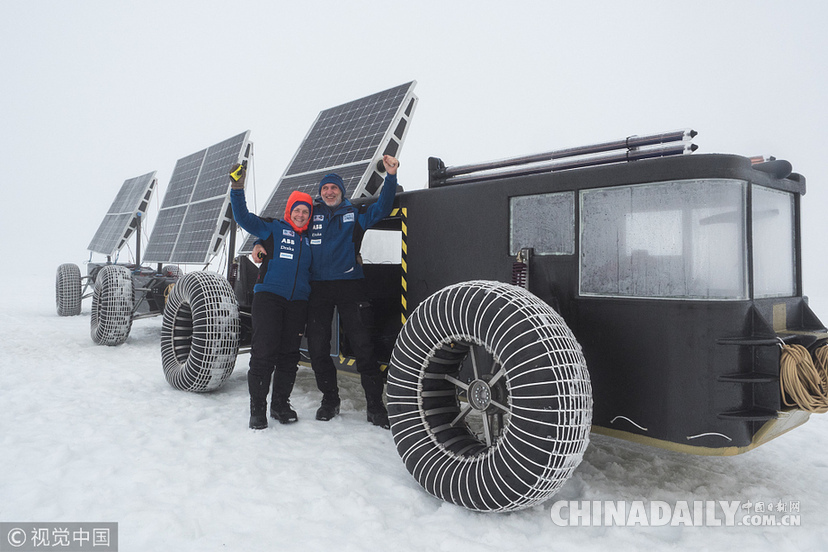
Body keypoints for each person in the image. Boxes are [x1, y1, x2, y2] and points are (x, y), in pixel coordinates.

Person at [252, 154, 400, 429]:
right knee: (318, 349)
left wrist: (390, 177)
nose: (329, 191)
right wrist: (260, 243)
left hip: (350, 285)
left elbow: (381, 208)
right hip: (318, 289)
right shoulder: (312, 214)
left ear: (342, 192)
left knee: (363, 346)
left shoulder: (353, 215)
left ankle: (375, 407)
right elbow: (287, 228)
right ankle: (330, 400)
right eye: (325, 188)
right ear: (320, 193)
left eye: (334, 188)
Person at [230, 162, 313, 430]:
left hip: (298, 302)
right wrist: (237, 188)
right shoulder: (273, 229)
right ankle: (257, 410)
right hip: (269, 298)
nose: (300, 215)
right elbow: (243, 218)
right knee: (264, 353)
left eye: (305, 211)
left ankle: (280, 405)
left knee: (289, 356)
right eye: (296, 210)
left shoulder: (311, 239)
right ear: (289, 211)